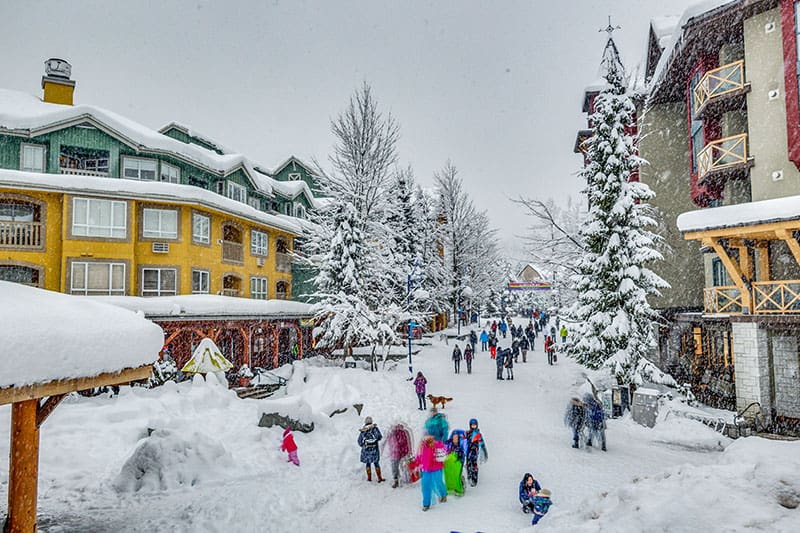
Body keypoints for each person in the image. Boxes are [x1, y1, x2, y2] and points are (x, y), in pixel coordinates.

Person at [415, 435, 447, 511]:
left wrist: (440, 456)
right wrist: (416, 464)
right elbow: (419, 457)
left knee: (439, 482)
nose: (432, 444)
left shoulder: (438, 446)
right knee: (425, 486)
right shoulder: (422, 448)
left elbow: (443, 453)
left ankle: (443, 494)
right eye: (429, 443)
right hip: (426, 470)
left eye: (432, 442)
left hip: (436, 468)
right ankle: (426, 504)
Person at [384, 423, 413, 488]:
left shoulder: (404, 432)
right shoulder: (391, 433)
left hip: (403, 452)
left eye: (397, 426)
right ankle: (396, 480)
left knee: (404, 467)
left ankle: (406, 478)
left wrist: (409, 451)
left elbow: (408, 442)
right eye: (395, 426)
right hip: (394, 453)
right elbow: (387, 442)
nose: (395, 427)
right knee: (394, 468)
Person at [358, 416, 384, 482]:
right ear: (371, 421)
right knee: (376, 463)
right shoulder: (375, 429)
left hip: (366, 450)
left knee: (368, 463)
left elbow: (359, 441)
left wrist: (363, 445)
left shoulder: (363, 430)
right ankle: (379, 478)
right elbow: (379, 437)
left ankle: (369, 478)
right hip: (374, 449)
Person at [465, 418, 488, 487]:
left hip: (474, 451)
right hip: (468, 451)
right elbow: (463, 439)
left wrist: (484, 451)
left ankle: (474, 479)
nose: (473, 426)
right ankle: (469, 476)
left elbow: (481, 443)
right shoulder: (467, 433)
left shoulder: (478, 434)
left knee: (474, 465)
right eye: (472, 425)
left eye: (475, 425)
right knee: (468, 464)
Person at [444, 430, 467, 496]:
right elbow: (445, 450)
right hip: (451, 462)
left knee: (457, 474)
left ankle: (460, 486)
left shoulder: (462, 442)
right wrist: (445, 444)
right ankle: (450, 487)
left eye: (456, 437)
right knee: (450, 474)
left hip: (459, 461)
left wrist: (461, 452)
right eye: (454, 437)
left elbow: (465, 449)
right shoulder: (450, 443)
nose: (455, 438)